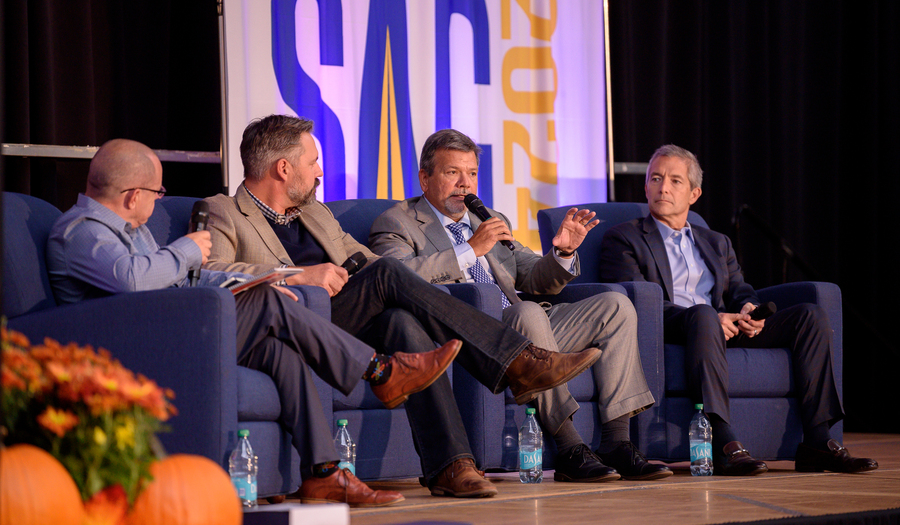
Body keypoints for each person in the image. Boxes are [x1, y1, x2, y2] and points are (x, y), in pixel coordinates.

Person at [46, 138, 465, 508]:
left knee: (282, 352)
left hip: (170, 330)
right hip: (135, 348)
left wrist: (260, 279)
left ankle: (323, 473)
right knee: (267, 303)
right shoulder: (82, 231)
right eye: (157, 193)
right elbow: (134, 280)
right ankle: (379, 370)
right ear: (133, 195)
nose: (158, 201)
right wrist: (187, 250)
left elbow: (183, 280)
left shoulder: (132, 231)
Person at [203, 114, 602, 498]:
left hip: (342, 318)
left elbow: (371, 263)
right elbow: (211, 271)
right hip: (286, 321)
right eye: (313, 162)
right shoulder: (223, 210)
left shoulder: (316, 214)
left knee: (402, 323)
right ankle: (516, 361)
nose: (320, 172)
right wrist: (297, 275)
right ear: (284, 168)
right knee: (389, 275)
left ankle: (452, 465)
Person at [369, 129, 672, 483]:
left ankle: (617, 442)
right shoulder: (398, 222)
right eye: (452, 172)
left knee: (616, 306)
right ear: (425, 178)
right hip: (473, 335)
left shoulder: (488, 217)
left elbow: (533, 278)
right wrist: (470, 250)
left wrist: (562, 252)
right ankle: (570, 447)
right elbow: (397, 277)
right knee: (528, 313)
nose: (465, 184)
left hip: (526, 323)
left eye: (471, 173)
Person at [599, 144, 878, 475]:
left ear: (694, 193)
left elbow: (739, 289)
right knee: (703, 314)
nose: (663, 188)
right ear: (646, 187)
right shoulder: (624, 238)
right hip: (675, 327)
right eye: (656, 178)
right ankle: (722, 440)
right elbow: (637, 301)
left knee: (810, 316)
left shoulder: (716, 242)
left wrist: (748, 308)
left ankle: (818, 439)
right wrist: (710, 318)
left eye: (675, 180)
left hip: (724, 328)